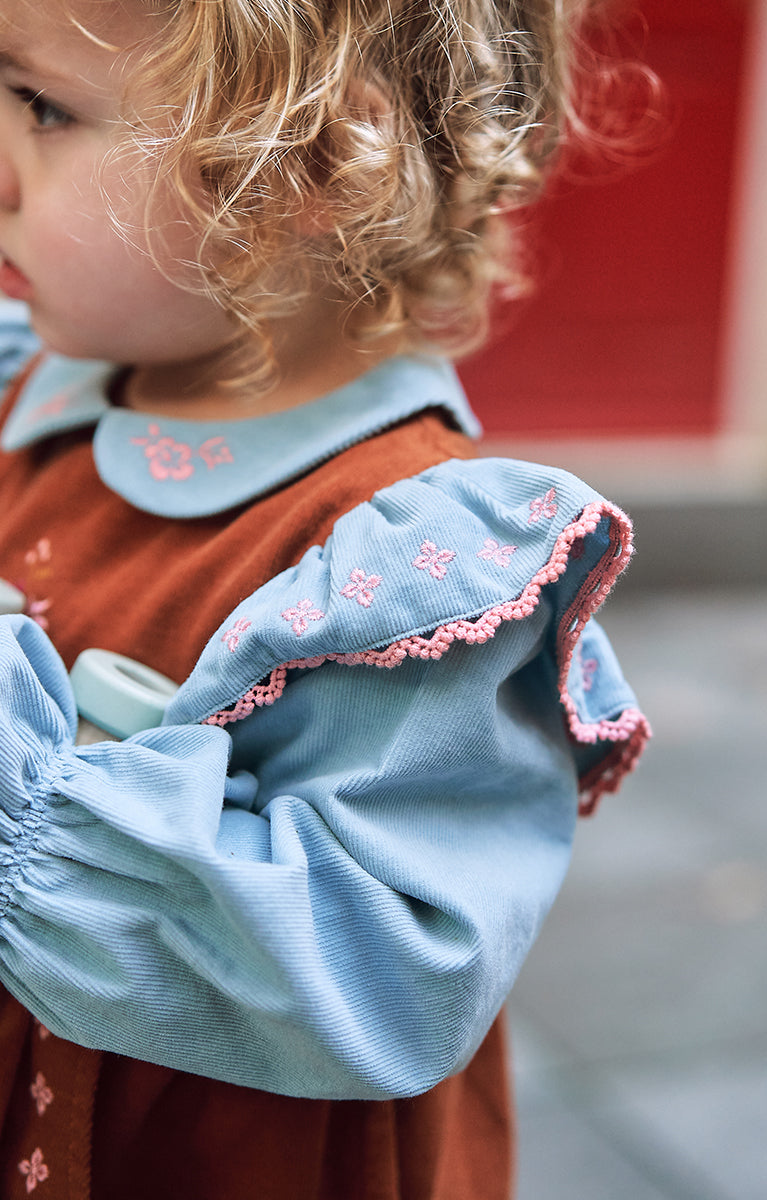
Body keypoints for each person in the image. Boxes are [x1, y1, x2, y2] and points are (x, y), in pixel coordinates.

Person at [0, 1, 650, 1197]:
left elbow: (392, 977)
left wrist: (30, 814)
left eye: (43, 106)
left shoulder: (416, 570)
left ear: (314, 161)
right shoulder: (35, 385)